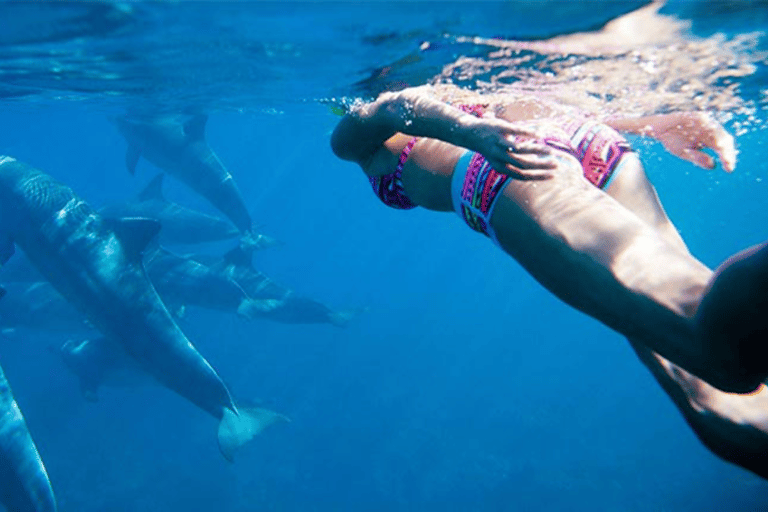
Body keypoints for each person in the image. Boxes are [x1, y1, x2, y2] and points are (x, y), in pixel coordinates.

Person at [331, 84, 768, 477]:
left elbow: (391, 107)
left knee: (712, 348)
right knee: (705, 391)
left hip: (505, 165)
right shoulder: (465, 82)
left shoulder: (360, 131)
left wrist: (469, 133)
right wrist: (654, 124)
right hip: (576, 138)